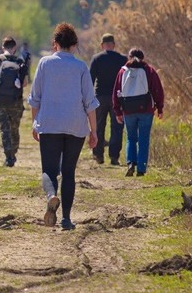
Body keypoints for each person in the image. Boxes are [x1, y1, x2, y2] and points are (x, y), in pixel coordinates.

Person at [28, 23, 99, 231]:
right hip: (75, 125)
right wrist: (94, 131)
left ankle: (51, 195)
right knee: (69, 172)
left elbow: (35, 98)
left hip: (50, 124)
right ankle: (66, 219)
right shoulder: (81, 67)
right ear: (74, 45)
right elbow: (90, 102)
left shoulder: (44, 63)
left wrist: (35, 122)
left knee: (49, 170)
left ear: (55, 43)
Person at [113, 48, 164, 177]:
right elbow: (157, 90)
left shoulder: (122, 71)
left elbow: (116, 92)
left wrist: (118, 111)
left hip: (128, 110)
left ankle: (131, 163)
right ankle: (141, 168)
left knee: (131, 138)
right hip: (146, 110)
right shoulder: (149, 70)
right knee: (143, 138)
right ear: (143, 57)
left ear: (129, 57)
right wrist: (160, 108)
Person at [89, 33, 128, 165]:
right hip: (117, 97)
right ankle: (114, 156)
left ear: (102, 45)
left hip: (100, 97)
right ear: (114, 45)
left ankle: (98, 155)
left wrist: (88, 98)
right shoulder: (122, 59)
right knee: (117, 127)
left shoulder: (97, 58)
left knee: (99, 126)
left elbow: (90, 79)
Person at [0, 35, 28, 167]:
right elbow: (25, 83)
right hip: (16, 101)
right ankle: (14, 153)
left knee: (4, 128)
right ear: (14, 48)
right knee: (14, 128)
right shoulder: (20, 61)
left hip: (0, 101)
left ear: (3, 47)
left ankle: (8, 157)